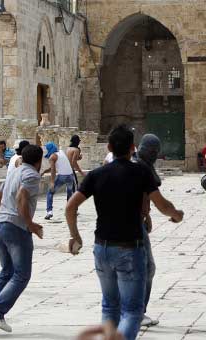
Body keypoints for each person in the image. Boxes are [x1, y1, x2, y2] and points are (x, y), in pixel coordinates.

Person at [65, 125, 183, 340]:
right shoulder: (141, 172)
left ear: (109, 147)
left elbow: (70, 207)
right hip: (130, 248)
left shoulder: (97, 175)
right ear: (133, 148)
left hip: (102, 248)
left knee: (109, 306)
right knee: (132, 312)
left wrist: (76, 235)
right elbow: (161, 205)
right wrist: (176, 214)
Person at [0, 145, 44, 334]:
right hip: (16, 228)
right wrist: (29, 223)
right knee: (22, 274)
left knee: (7, 271)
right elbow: (22, 196)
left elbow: (0, 195)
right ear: (39, 161)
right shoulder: (32, 175)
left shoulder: (14, 171)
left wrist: (9, 212)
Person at [133, 134, 162, 327]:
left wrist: (147, 215)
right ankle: (137, 313)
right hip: (134, 224)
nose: (153, 154)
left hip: (138, 220)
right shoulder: (140, 166)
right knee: (146, 268)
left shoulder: (142, 164)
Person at [42, 142, 76, 220]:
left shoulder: (52, 157)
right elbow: (57, 165)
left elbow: (53, 170)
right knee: (69, 193)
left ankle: (49, 211)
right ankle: (70, 211)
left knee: (50, 192)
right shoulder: (61, 152)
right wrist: (45, 171)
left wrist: (52, 182)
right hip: (70, 175)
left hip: (62, 176)